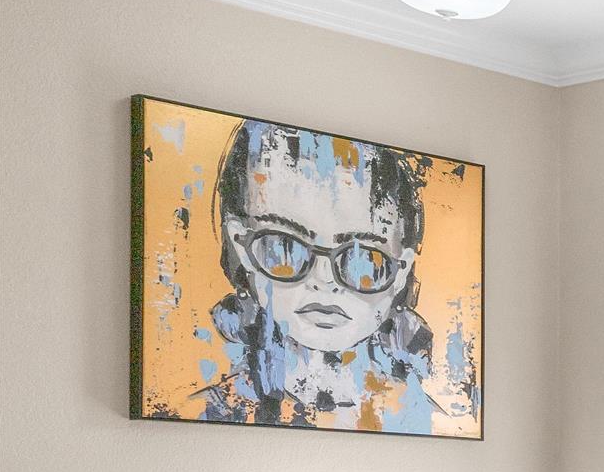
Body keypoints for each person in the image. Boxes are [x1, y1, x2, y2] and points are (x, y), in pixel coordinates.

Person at [190, 118, 454, 429]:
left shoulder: (427, 421)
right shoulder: (211, 411)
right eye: (285, 248)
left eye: (361, 259)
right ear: (242, 246)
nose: (324, 279)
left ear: (400, 272)